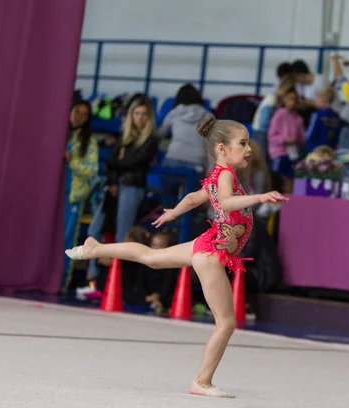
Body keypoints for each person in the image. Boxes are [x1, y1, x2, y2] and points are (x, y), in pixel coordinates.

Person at [66, 115, 288, 398]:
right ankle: (202, 381)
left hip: (206, 244)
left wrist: (173, 211)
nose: (248, 149)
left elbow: (196, 198)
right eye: (242, 143)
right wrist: (258, 198)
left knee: (152, 257)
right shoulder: (226, 176)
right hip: (211, 252)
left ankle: (96, 248)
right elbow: (227, 202)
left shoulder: (218, 175)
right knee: (227, 323)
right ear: (222, 148)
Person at [86, 97, 158, 279]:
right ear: (131, 115)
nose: (140, 118)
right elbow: (112, 164)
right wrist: (112, 182)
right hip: (114, 187)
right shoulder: (124, 137)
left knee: (122, 234)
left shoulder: (151, 139)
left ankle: (114, 278)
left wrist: (117, 163)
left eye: (144, 114)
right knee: (94, 229)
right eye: (137, 113)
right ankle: (93, 273)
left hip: (132, 187)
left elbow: (135, 162)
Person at [63, 100, 98, 292]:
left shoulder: (88, 141)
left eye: (85, 114)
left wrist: (72, 161)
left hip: (73, 195)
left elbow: (92, 170)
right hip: (56, 193)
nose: (80, 117)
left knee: (67, 238)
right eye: (77, 112)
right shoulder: (60, 132)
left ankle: (61, 281)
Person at [158, 84, 209, 197]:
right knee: (190, 206)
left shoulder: (174, 113)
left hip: (173, 160)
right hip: (197, 162)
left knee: (169, 202)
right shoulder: (208, 116)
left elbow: (159, 135)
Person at [267, 87, 305, 193]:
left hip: (293, 154)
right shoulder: (279, 114)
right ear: (284, 100)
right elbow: (271, 136)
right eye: (290, 99)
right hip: (279, 153)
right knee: (278, 182)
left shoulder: (298, 118)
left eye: (295, 99)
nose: (293, 102)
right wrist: (286, 139)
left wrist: (297, 140)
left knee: (292, 181)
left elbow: (302, 140)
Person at [251, 74, 297, 155]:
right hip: (261, 132)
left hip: (265, 132)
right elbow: (264, 122)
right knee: (261, 156)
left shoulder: (277, 102)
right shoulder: (271, 101)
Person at [305, 88, 341, 152]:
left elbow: (310, 135)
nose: (315, 101)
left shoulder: (317, 115)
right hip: (330, 151)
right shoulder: (336, 116)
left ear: (323, 99)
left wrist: (301, 134)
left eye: (317, 98)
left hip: (316, 151)